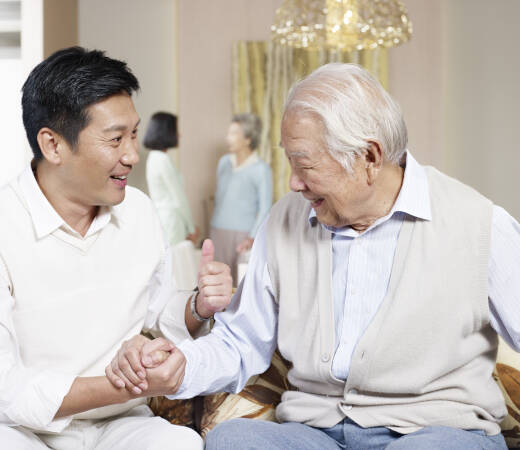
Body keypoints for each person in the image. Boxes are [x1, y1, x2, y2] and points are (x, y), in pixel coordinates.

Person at [108, 63, 519, 449]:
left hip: (436, 433)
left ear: (370, 158)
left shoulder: (479, 223)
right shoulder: (284, 219)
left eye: (304, 165)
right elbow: (240, 341)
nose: (294, 183)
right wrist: (180, 364)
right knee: (233, 440)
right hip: (316, 434)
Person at [0, 47, 232, 450]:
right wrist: (121, 386)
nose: (132, 154)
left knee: (179, 444)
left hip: (120, 423)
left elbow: (159, 315)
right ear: (53, 145)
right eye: (114, 139)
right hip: (13, 429)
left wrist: (200, 307)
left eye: (133, 134)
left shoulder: (140, 212)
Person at [210, 113, 273, 284]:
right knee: (216, 284)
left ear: (248, 139)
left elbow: (266, 207)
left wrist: (252, 237)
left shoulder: (261, 169)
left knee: (241, 286)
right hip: (218, 231)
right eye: (228, 133)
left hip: (244, 236)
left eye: (234, 133)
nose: (227, 138)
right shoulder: (223, 163)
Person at [145, 112, 200, 290]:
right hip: (172, 222)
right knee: (178, 272)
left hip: (163, 220)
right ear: (166, 131)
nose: (180, 134)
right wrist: (191, 228)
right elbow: (179, 199)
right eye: (176, 129)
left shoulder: (153, 158)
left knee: (169, 270)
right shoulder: (163, 160)